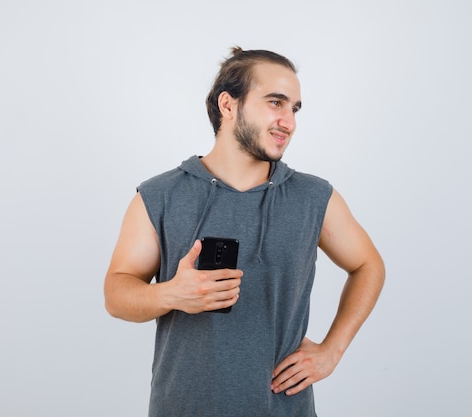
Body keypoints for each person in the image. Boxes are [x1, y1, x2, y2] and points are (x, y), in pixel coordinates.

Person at [104, 46, 385, 417]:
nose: (289, 121)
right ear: (228, 105)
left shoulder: (314, 197)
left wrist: (332, 350)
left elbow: (368, 265)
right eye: (276, 103)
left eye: (295, 108)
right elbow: (117, 293)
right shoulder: (160, 195)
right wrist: (171, 294)